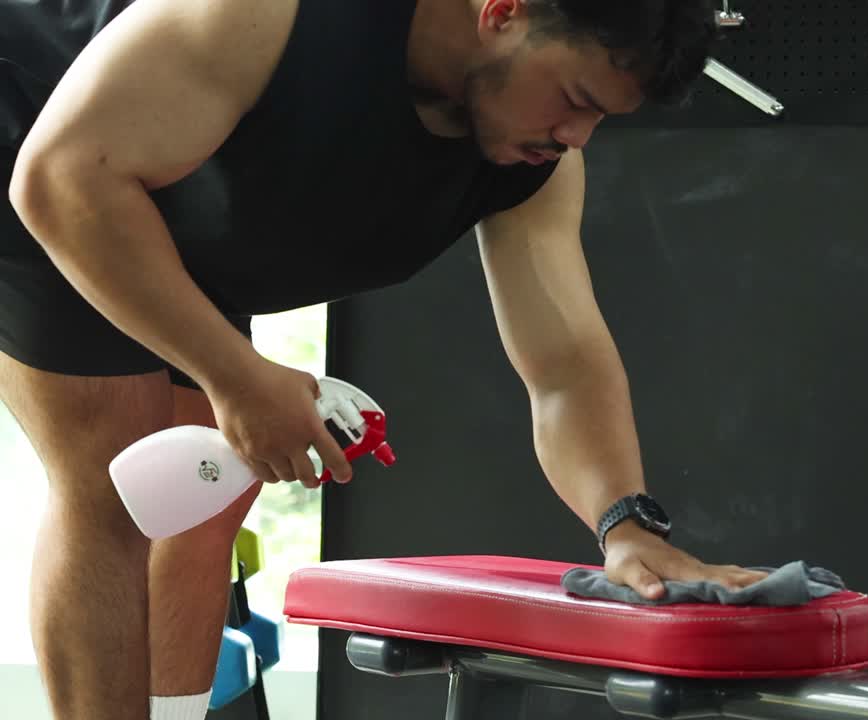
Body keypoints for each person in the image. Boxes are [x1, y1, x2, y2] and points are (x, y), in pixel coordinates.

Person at [0, 1, 770, 718]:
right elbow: (62, 176)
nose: (576, 136)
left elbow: (564, 364)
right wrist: (236, 377)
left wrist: (626, 527)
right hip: (43, 143)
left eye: (600, 117)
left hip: (166, 203)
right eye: (574, 98)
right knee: (116, 473)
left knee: (202, 498)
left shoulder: (533, 165)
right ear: (503, 11)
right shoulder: (267, 15)